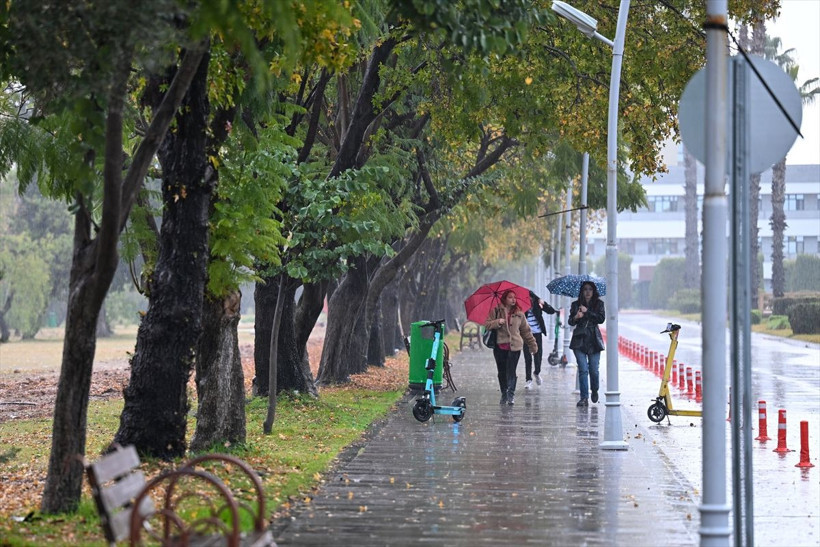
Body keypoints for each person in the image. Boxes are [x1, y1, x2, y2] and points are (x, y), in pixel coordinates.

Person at [484, 289, 538, 406]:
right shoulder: (496, 310)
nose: (513, 299)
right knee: (501, 372)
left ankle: (511, 394)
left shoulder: (519, 313)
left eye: (514, 297)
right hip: (500, 346)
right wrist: (498, 321)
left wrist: (532, 345)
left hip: (515, 347)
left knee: (511, 371)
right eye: (510, 297)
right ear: (504, 298)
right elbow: (487, 324)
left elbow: (526, 331)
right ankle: (504, 392)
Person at [568, 281, 606, 407]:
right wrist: (576, 317)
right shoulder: (575, 304)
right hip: (579, 340)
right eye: (585, 289)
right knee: (583, 370)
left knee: (593, 370)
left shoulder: (599, 304)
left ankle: (594, 390)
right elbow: (570, 322)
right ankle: (584, 398)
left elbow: (601, 319)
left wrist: (587, 311)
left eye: (590, 289)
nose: (588, 291)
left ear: (594, 291)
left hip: (594, 340)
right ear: (582, 291)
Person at [523, 290, 556, 389]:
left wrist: (544, 303)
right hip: (526, 334)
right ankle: (528, 380)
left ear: (533, 298)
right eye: (527, 298)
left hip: (537, 333)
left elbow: (551, 311)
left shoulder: (538, 304)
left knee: (538, 355)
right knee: (527, 357)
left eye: (531, 298)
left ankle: (537, 372)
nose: (529, 300)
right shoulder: (522, 307)